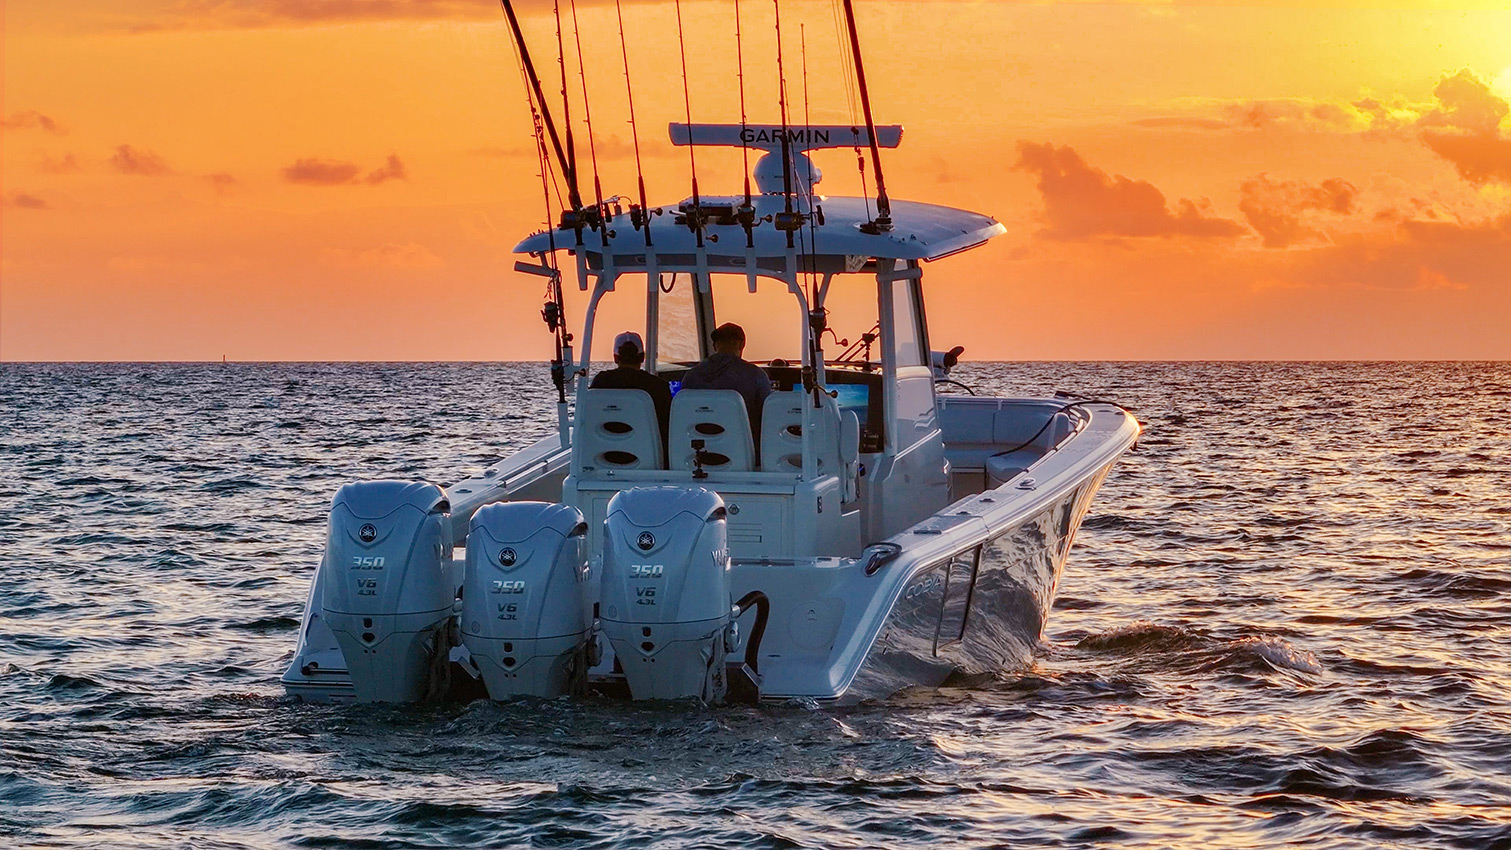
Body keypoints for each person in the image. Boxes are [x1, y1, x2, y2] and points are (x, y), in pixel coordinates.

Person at [681, 322, 773, 442]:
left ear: (714, 345)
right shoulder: (755, 375)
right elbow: (769, 417)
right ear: (742, 344)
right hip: (744, 451)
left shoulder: (692, 376)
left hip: (698, 450)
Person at [590, 331, 672, 452]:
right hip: (650, 457)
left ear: (616, 358)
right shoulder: (659, 386)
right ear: (642, 357)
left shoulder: (600, 383)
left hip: (607, 456)